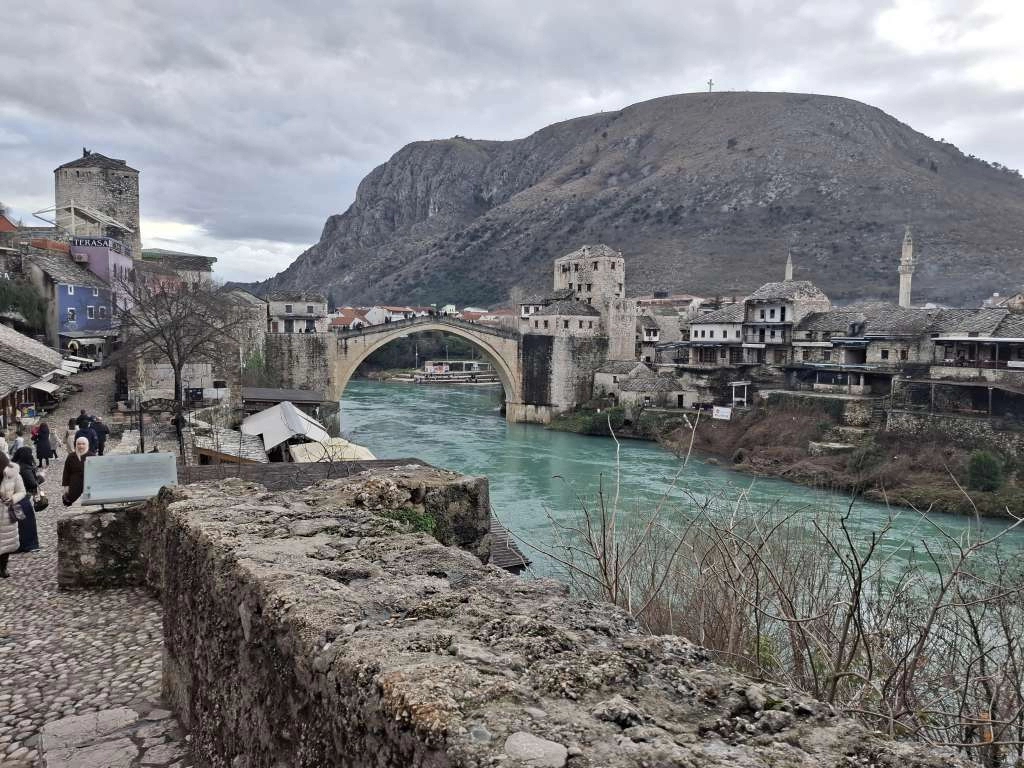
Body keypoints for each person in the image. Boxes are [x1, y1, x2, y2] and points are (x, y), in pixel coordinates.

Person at [0, 453, 27, 575]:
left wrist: (12, 498)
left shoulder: (13, 474)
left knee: (6, 543)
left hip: (6, 514)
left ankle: (2, 568)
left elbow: (22, 491)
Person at [11, 447, 39, 552]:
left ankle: (19, 545)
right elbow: (32, 483)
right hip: (23, 499)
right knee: (27, 522)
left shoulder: (13, 466)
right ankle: (29, 545)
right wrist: (41, 477)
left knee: (18, 522)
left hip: (13, 499)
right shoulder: (24, 467)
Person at [62, 436, 90, 506]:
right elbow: (66, 472)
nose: (81, 446)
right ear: (76, 444)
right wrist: (66, 487)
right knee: (74, 502)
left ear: (87, 445)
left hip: (87, 483)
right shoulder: (71, 456)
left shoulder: (91, 456)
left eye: (83, 444)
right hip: (74, 484)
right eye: (79, 444)